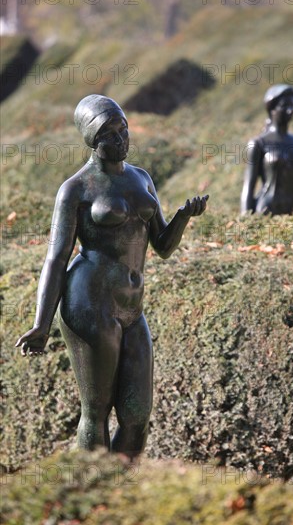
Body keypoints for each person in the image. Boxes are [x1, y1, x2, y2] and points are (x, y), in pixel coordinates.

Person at [16, 94, 208, 459]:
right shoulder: (77, 188)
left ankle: (118, 491)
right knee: (97, 411)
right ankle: (92, 492)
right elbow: (56, 259)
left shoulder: (141, 178)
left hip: (132, 306)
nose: (121, 139)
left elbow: (163, 246)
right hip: (88, 303)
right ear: (91, 139)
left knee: (137, 414)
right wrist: (41, 325)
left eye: (123, 128)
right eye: (109, 133)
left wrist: (183, 216)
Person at [240, 84, 293, 216]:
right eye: (284, 106)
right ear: (272, 108)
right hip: (267, 212)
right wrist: (245, 223)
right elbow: (248, 187)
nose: (290, 111)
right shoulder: (259, 143)